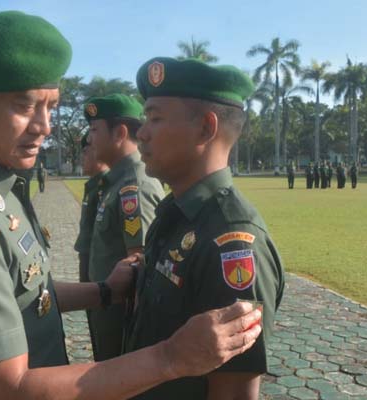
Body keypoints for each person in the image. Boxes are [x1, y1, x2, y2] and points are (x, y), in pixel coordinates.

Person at [0, 11, 262, 400]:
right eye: (24, 106)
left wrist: (103, 292)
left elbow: (26, 294)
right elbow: (7, 391)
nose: (44, 126)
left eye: (51, 106)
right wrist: (171, 357)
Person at [126, 57, 285, 399]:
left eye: (155, 118)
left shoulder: (232, 241)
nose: (141, 132)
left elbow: (234, 391)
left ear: (205, 127)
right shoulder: (174, 213)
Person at [86, 93, 165, 361]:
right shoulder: (116, 182)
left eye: (94, 130)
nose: (89, 139)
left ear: (119, 133)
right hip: (106, 307)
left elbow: (139, 263)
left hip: (121, 320)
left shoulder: (134, 186)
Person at [75, 134, 109, 283]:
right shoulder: (93, 185)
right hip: (88, 259)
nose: (81, 158)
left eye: (85, 152)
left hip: (98, 265)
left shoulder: (107, 186)